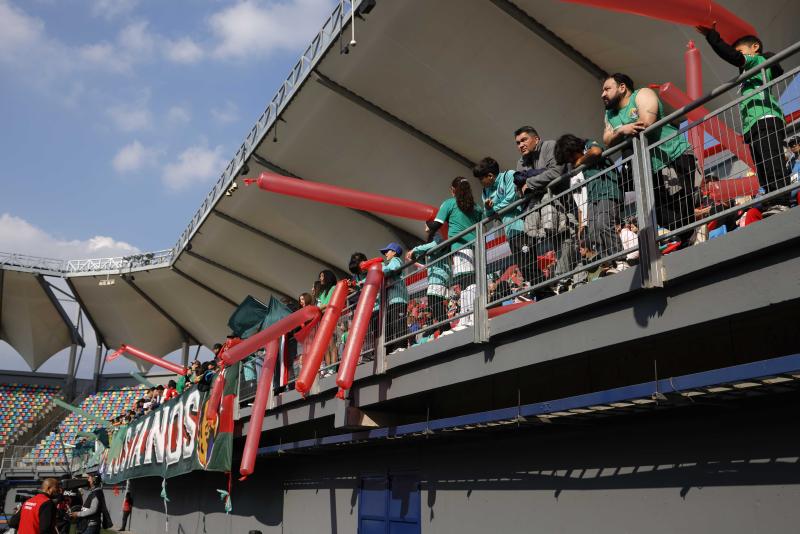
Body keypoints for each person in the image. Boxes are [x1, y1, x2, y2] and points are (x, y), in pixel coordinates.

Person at [696, 25, 789, 208]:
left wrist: (713, 37)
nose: (739, 55)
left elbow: (734, 57)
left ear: (755, 47)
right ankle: (773, 203)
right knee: (762, 169)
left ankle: (782, 200)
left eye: (741, 50)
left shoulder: (759, 60)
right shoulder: (748, 75)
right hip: (752, 126)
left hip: (765, 119)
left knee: (772, 164)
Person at [602, 73, 697, 237]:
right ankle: (690, 234)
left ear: (622, 87)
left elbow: (646, 122)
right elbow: (607, 140)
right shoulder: (609, 114)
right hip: (649, 169)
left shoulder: (642, 94)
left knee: (682, 206)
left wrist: (619, 132)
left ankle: (690, 235)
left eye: (607, 89)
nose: (603, 94)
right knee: (654, 212)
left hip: (674, 156)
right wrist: (622, 130)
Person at [473, 157, 549, 300]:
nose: (480, 183)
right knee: (524, 268)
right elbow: (488, 214)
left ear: (490, 175)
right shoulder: (485, 192)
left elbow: (511, 198)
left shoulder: (509, 176)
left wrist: (493, 208)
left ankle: (546, 293)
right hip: (510, 233)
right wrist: (489, 208)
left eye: (481, 179)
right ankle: (541, 293)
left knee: (529, 264)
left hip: (522, 227)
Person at [422, 177, 484, 328]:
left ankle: (469, 318)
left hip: (460, 248)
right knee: (470, 281)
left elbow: (437, 223)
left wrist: (428, 227)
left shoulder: (449, 203)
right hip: (476, 246)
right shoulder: (475, 207)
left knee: (466, 282)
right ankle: (468, 317)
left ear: (453, 190)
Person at [554, 134, 622, 260]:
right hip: (592, 196)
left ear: (573, 149)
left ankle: (620, 259)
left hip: (607, 191)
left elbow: (596, 151)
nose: (572, 163)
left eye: (571, 158)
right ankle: (608, 261)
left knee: (604, 224)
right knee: (592, 232)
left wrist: (580, 161)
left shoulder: (588, 144)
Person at [407, 221, 453, 335]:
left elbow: (435, 245)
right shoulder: (433, 239)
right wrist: (415, 258)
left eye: (426, 224)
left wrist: (415, 249)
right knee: (434, 302)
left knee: (434, 301)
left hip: (439, 275)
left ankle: (445, 327)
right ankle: (444, 327)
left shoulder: (437, 237)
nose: (424, 226)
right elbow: (427, 261)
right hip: (436, 275)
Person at [379, 242, 409, 354]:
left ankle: (401, 346)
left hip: (399, 298)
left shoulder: (395, 261)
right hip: (392, 300)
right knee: (392, 324)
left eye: (388, 251)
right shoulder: (389, 262)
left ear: (394, 252)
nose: (385, 253)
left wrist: (381, 266)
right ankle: (393, 347)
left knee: (399, 323)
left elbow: (391, 269)